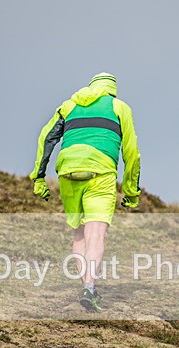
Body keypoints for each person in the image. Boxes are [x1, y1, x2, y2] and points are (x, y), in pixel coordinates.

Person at [30, 72, 141, 312]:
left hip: (68, 171)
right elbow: (131, 152)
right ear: (113, 90)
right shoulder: (120, 107)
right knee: (96, 234)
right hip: (100, 172)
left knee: (79, 234)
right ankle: (89, 288)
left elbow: (46, 137)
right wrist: (131, 191)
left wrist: (39, 177)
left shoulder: (68, 105)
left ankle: (86, 288)